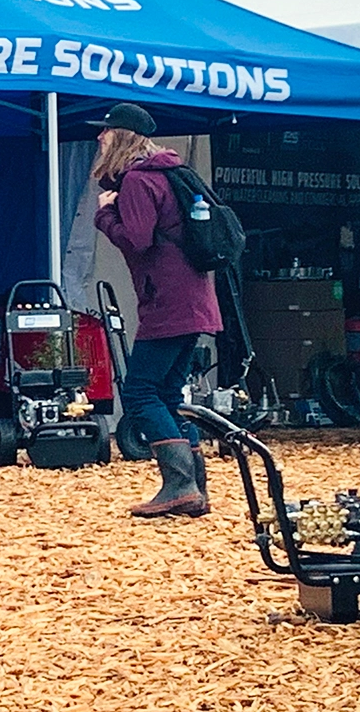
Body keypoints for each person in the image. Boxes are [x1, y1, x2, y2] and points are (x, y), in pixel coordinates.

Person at [91, 102, 220, 518]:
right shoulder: (174, 174)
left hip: (166, 303)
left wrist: (105, 214)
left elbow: (138, 240)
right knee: (167, 394)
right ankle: (196, 488)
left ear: (122, 138)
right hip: (196, 300)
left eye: (106, 131)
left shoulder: (139, 182)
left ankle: (180, 484)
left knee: (140, 393)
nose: (99, 137)